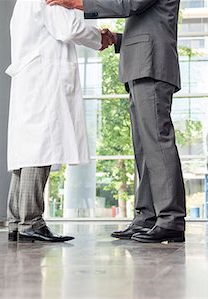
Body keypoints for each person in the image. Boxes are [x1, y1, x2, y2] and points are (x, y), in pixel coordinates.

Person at [46, 0, 186, 243]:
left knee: (157, 144)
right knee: (144, 150)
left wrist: (77, 2)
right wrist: (117, 39)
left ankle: (171, 219)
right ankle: (147, 216)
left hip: (152, 64)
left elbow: (128, 4)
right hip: (141, 63)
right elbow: (146, 21)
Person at [5, 0, 114, 242]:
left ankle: (15, 221)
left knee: (26, 152)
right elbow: (68, 28)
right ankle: (31, 222)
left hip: (30, 75)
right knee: (39, 150)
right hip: (45, 75)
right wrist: (100, 36)